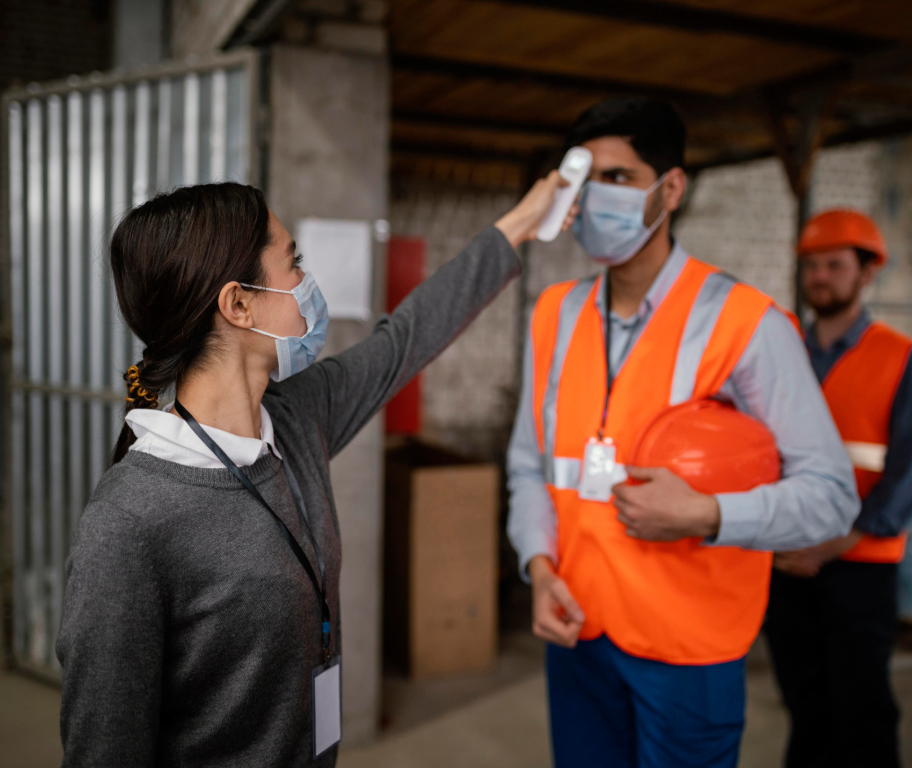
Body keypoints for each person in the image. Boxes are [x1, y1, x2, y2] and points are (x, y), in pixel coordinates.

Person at [56, 176, 570, 767]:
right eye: (292, 263)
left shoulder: (296, 417)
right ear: (238, 304)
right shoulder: (128, 524)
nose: (307, 283)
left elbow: (408, 337)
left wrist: (521, 223)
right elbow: (104, 752)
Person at [506, 97, 860, 768]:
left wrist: (709, 513)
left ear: (671, 188)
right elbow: (531, 465)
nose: (594, 198)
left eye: (618, 177)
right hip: (578, 634)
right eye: (584, 180)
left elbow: (832, 497)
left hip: (689, 655)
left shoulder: (746, 323)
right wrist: (539, 566)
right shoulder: (554, 314)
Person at [765, 209, 912, 768]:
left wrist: (832, 543)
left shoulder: (899, 357)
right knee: (804, 709)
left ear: (866, 273)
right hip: (789, 568)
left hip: (860, 566)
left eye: (835, 265)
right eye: (812, 265)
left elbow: (907, 474)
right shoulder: (780, 350)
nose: (820, 277)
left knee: (861, 715)